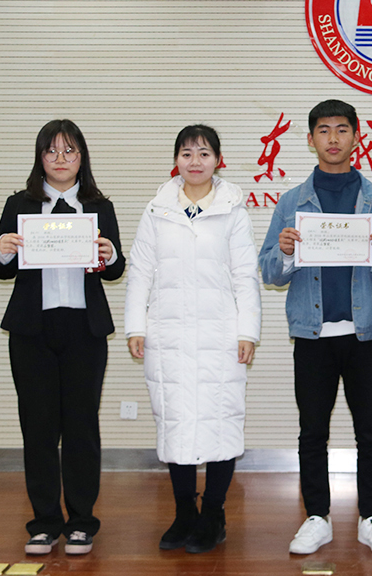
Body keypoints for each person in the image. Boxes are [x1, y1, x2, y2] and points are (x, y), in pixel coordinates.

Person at [259, 100, 372, 557]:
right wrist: (285, 252)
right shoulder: (292, 203)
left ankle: (371, 518)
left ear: (356, 137)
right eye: (324, 130)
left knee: (371, 432)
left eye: (342, 129)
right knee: (312, 431)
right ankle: (317, 517)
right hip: (312, 335)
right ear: (311, 139)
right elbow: (268, 270)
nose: (333, 138)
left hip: (364, 334)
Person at [0, 119, 125, 556]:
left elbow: (115, 269)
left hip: (85, 329)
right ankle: (44, 523)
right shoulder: (20, 204)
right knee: (38, 427)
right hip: (32, 330)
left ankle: (82, 522)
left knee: (82, 427)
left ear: (82, 157)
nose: (60, 159)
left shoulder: (99, 206)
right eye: (51, 151)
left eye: (69, 151)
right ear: (40, 157)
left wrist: (110, 254)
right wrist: (2, 250)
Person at [124, 125, 261, 554]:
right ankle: (184, 512)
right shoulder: (157, 210)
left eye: (203, 153)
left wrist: (247, 332)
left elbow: (245, 275)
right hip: (168, 333)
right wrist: (135, 326)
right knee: (175, 420)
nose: (195, 161)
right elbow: (140, 272)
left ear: (218, 160)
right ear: (176, 161)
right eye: (186, 153)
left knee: (221, 419)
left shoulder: (233, 210)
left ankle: (213, 514)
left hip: (221, 334)